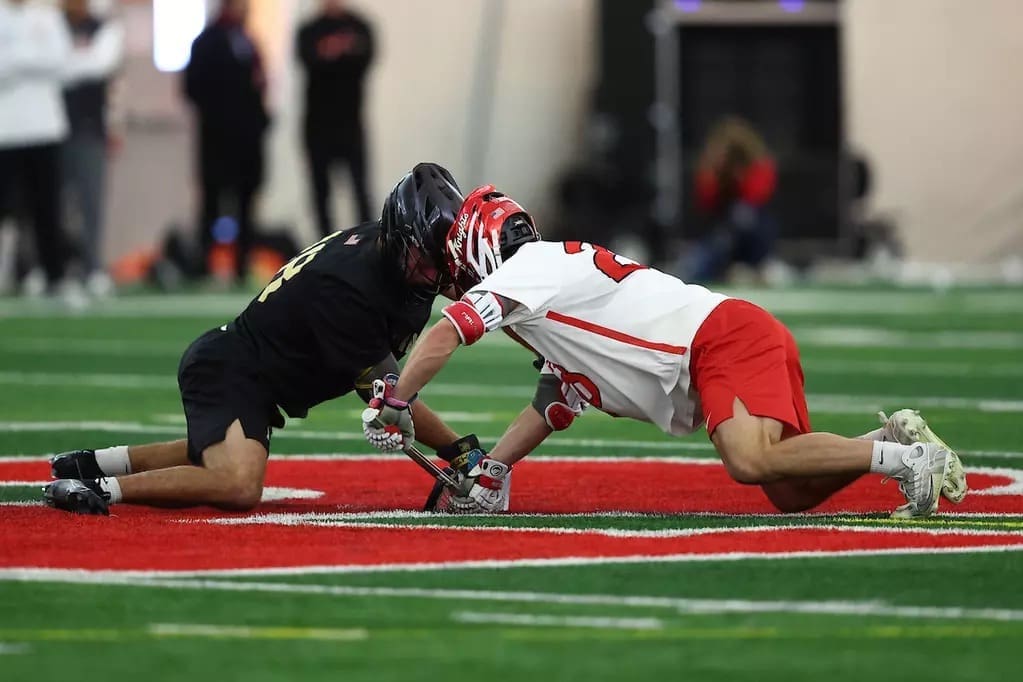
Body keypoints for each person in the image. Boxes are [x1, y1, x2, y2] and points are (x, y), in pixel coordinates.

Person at [363, 185, 968, 518]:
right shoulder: (547, 297)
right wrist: (494, 471)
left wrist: (397, 399)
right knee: (789, 492)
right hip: (721, 345)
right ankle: (885, 443)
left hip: (719, 340)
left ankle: (908, 463)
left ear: (476, 245)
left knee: (749, 462)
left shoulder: (530, 269)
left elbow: (447, 332)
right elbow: (554, 402)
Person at [43, 163, 480, 515]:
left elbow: (475, 294)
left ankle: (93, 464)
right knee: (237, 484)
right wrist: (462, 451)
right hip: (232, 370)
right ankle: (101, 488)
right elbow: (392, 398)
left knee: (216, 456)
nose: (433, 274)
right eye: (425, 260)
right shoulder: (349, 288)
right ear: (399, 238)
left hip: (251, 375)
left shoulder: (396, 252)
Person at [183, 0, 269, 283]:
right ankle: (206, 264)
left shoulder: (248, 40)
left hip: (247, 140)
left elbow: (258, 86)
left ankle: (241, 266)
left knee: (246, 202)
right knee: (212, 201)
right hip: (218, 139)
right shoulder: (207, 42)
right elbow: (192, 88)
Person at [0, 0, 73, 298]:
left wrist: (16, 57)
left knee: (48, 207)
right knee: (5, 208)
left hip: (46, 128)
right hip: (5, 131)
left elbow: (61, 62)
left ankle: (53, 274)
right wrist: (34, 55)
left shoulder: (48, 16)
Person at [61, 0, 125, 297]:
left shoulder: (104, 27)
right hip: (53, 129)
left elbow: (100, 64)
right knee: (50, 204)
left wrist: (64, 62)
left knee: (90, 203)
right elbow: (53, 63)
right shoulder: (52, 26)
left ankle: (91, 266)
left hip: (89, 128)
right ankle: (56, 266)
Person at [296, 0, 375, 237]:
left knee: (360, 190)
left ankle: (370, 243)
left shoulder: (360, 26)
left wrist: (333, 52)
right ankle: (325, 247)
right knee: (321, 193)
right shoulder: (309, 30)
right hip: (318, 127)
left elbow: (366, 57)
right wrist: (337, 52)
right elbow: (308, 59)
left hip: (350, 125)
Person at [681, 116, 778, 283]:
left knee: (742, 215)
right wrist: (717, 171)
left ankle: (755, 265)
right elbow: (705, 200)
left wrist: (739, 177)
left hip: (752, 230)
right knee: (700, 260)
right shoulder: (714, 169)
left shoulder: (758, 165)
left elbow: (758, 195)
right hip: (719, 229)